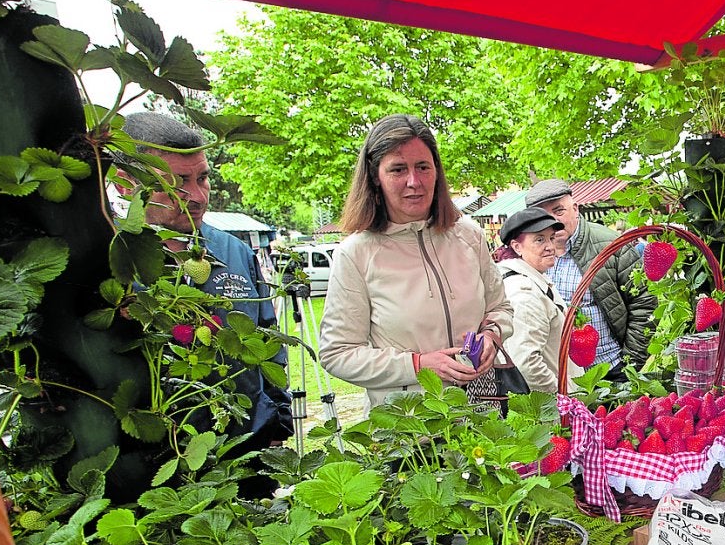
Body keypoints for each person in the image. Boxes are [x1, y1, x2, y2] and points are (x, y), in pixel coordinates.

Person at [318, 114, 513, 412]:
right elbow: (337, 354)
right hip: (411, 432)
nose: (414, 182)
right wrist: (418, 365)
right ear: (375, 178)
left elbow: (500, 309)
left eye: (423, 167)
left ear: (437, 171)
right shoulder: (355, 254)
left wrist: (492, 336)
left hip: (483, 417)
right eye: (398, 169)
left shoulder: (469, 236)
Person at [120, 112, 291, 452]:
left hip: (246, 440)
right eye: (178, 182)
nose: (197, 196)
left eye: (203, 178)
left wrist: (278, 419)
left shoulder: (235, 252)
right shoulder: (113, 259)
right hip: (159, 452)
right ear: (125, 184)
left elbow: (267, 339)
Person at [526, 179, 652, 377]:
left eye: (559, 211)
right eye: (542, 215)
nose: (552, 221)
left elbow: (644, 303)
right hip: (558, 376)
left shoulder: (610, 245)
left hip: (611, 369)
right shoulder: (527, 255)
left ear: (575, 209)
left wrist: (631, 365)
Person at [494, 206, 580, 393]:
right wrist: (562, 399)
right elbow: (527, 363)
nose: (549, 246)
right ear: (517, 247)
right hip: (554, 412)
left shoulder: (534, 278)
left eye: (551, 238)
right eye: (539, 240)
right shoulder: (524, 294)